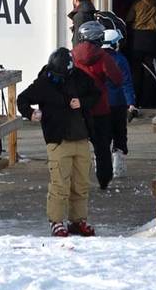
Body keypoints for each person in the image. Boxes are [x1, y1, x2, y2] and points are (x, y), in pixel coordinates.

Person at [17, 47, 101, 236]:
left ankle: (78, 220)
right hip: (58, 140)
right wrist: (31, 113)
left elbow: (96, 94)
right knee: (59, 183)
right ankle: (56, 221)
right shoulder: (44, 82)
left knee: (81, 184)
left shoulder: (79, 76)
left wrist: (82, 102)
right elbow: (22, 99)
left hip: (81, 137)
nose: (58, 79)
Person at [71, 27, 126, 190]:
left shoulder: (72, 54)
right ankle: (104, 179)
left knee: (75, 145)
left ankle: (75, 180)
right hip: (100, 107)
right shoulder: (103, 57)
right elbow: (117, 78)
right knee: (102, 147)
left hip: (77, 107)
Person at [100, 30, 137, 174]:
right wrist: (131, 104)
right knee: (119, 133)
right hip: (118, 103)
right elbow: (126, 83)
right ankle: (118, 166)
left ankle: (101, 165)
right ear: (114, 43)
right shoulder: (120, 60)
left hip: (99, 104)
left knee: (103, 134)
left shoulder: (95, 59)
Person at [126, 0, 156, 108]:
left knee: (136, 72)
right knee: (150, 73)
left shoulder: (137, 4)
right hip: (153, 39)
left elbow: (129, 19)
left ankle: (134, 101)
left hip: (138, 38)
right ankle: (147, 102)